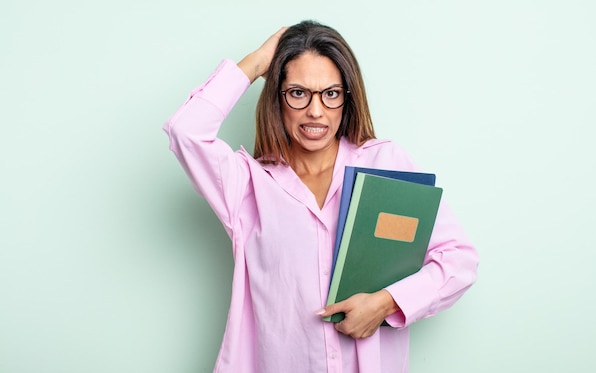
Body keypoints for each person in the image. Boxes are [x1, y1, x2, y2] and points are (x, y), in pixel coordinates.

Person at [163, 20, 478, 373]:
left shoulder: (383, 163)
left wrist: (388, 303)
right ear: (277, 97)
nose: (316, 110)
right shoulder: (247, 184)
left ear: (347, 96)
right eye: (298, 92)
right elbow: (185, 130)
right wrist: (258, 61)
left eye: (330, 93)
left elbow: (459, 260)